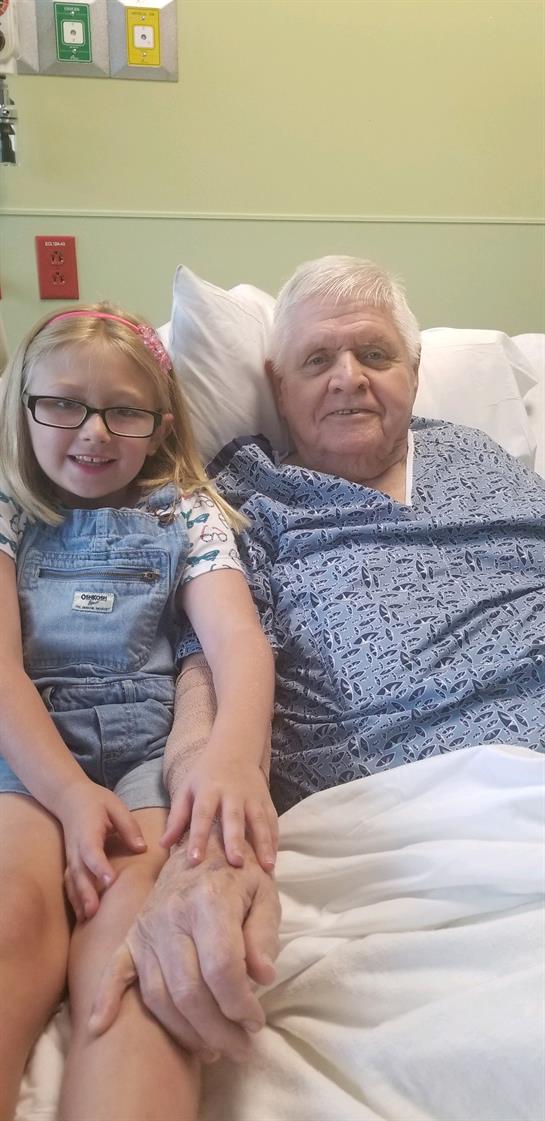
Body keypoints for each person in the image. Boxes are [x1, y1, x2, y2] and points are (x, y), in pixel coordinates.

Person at [87, 257, 545, 1068]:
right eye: (316, 360)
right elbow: (207, 672)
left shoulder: (480, 455)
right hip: (409, 819)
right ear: (275, 378)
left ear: (413, 369)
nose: (348, 380)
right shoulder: (245, 490)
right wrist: (205, 855)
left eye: (374, 355)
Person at [0, 303, 277, 1121]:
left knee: (136, 950)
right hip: (26, 756)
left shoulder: (185, 509)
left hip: (143, 757)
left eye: (123, 409)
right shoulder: (10, 507)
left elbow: (240, 645)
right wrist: (67, 793)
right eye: (62, 404)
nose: (93, 431)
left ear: (159, 425)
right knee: (13, 912)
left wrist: (229, 757)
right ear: (23, 406)